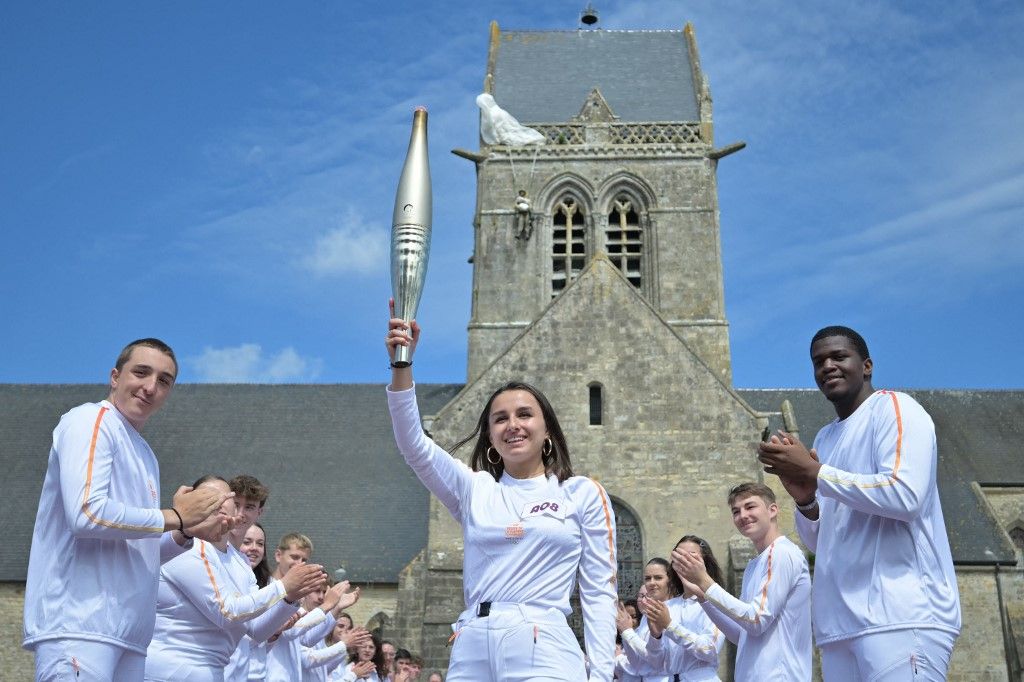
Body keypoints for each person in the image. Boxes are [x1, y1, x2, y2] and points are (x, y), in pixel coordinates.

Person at [385, 305, 618, 681]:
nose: (513, 425)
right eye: (500, 418)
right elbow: (413, 445)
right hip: (472, 642)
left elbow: (598, 592)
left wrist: (603, 675)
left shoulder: (581, 494)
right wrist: (402, 363)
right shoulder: (474, 488)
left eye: (525, 415)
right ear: (491, 436)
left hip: (543, 644)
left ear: (547, 431)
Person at [757, 326, 961, 680]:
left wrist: (816, 472)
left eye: (839, 356)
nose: (828, 366)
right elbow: (823, 541)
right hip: (840, 628)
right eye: (819, 361)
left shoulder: (895, 408)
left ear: (866, 366)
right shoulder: (825, 436)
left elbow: (905, 494)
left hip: (899, 618)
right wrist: (805, 499)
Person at [23, 338, 233, 681]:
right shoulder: (91, 420)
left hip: (130, 637)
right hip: (80, 626)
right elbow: (87, 513)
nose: (150, 387)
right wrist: (175, 516)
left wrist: (183, 533)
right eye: (141, 372)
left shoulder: (145, 454)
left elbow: (139, 550)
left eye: (164, 381)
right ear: (115, 376)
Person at [144, 475, 328, 681]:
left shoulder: (239, 560)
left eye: (225, 498)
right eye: (208, 497)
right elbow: (227, 611)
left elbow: (256, 630)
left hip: (211, 671)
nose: (218, 504)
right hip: (171, 667)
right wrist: (284, 587)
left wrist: (290, 598)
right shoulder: (186, 546)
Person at [673, 483, 811, 681]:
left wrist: (705, 581)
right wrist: (704, 598)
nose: (742, 515)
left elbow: (756, 620)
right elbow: (742, 635)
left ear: (772, 510)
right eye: (736, 511)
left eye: (750, 506)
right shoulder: (754, 565)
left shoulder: (781, 552)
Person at [644, 537, 725, 681]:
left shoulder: (715, 602)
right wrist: (655, 637)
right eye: (679, 557)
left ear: (704, 562)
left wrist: (669, 625)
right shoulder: (668, 606)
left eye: (691, 557)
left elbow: (708, 649)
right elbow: (656, 664)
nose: (685, 562)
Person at [224, 522, 273, 681]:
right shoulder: (223, 576)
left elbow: (258, 639)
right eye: (247, 542)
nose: (254, 548)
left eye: (260, 544)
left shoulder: (263, 584)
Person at [228, 475, 269, 551]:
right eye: (235, 505)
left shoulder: (244, 560)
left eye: (249, 507)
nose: (240, 514)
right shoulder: (206, 551)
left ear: (259, 513)